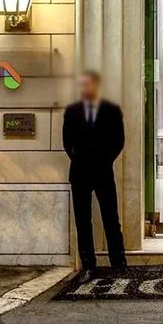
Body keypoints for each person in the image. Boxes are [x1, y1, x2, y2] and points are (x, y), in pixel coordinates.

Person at [62, 70, 127, 275]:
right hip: (79, 173)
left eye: (87, 84)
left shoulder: (112, 110)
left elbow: (119, 141)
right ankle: (88, 264)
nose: (84, 88)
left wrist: (105, 160)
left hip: (103, 171)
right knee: (83, 221)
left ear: (97, 86)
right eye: (81, 85)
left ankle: (119, 262)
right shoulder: (72, 111)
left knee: (111, 218)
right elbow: (67, 141)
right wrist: (78, 158)